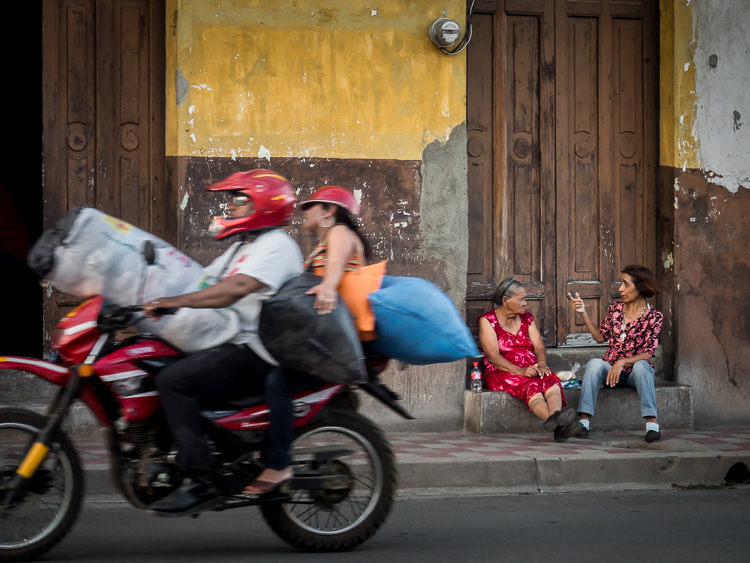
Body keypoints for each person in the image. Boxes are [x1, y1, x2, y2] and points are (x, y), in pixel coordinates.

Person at [142, 169, 303, 516]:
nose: (230, 207)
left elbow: (235, 289)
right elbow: (202, 281)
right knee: (162, 364)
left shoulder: (277, 246)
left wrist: (174, 303)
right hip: (232, 341)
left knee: (174, 381)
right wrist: (143, 295)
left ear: (263, 206)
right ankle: (221, 450)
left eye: (239, 200)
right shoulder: (242, 247)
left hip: (259, 351)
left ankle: (200, 481)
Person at [240, 185, 371, 497]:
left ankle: (277, 463)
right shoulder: (322, 242)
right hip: (324, 338)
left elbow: (337, 265)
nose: (304, 212)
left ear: (329, 211)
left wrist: (327, 285)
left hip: (333, 343)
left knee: (278, 383)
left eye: (311, 206)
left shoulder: (338, 232)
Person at [567, 264, 664, 443]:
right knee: (594, 363)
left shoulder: (654, 316)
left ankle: (652, 424)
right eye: (621, 283)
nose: (620, 289)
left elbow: (648, 354)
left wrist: (622, 362)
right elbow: (599, 337)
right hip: (611, 372)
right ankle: (583, 423)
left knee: (643, 366)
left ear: (641, 286)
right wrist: (583, 314)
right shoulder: (616, 309)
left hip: (634, 374)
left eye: (626, 284)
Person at [478, 278, 582, 442]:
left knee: (550, 379)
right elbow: (493, 356)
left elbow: (539, 346)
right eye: (521, 299)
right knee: (530, 385)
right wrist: (520, 370)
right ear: (506, 301)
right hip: (502, 371)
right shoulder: (487, 321)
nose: (525, 303)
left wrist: (541, 364)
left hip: (530, 367)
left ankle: (556, 420)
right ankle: (561, 425)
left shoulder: (527, 318)